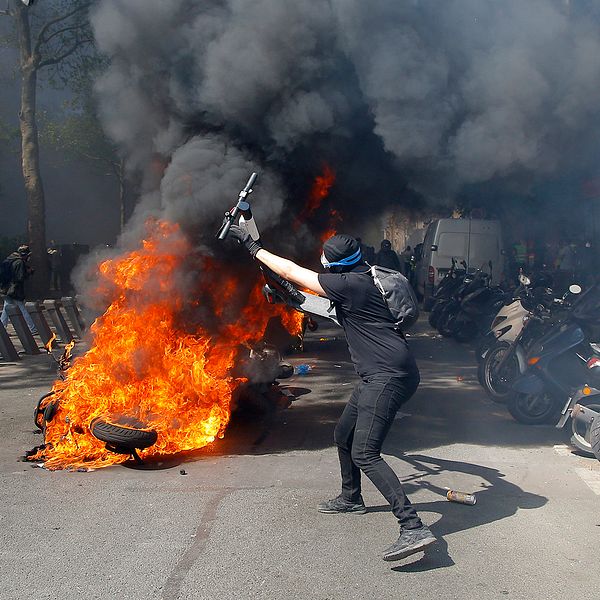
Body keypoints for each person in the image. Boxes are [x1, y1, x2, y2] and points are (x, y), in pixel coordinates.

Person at [228, 226, 436, 562]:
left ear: (335, 265)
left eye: (326, 261)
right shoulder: (363, 278)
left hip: (388, 377)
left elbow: (292, 272)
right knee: (343, 435)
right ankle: (351, 497)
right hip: (380, 374)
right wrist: (285, 294)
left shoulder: (348, 285)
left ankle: (412, 526)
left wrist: (253, 248)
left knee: (366, 452)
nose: (322, 264)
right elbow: (312, 302)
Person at [0, 245, 37, 335]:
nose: (29, 257)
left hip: (5, 289)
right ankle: (32, 329)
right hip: (14, 290)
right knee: (22, 309)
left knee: (6, 309)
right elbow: (20, 278)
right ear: (24, 254)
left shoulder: (9, 260)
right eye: (28, 255)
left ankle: (2, 329)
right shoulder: (19, 262)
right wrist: (28, 272)